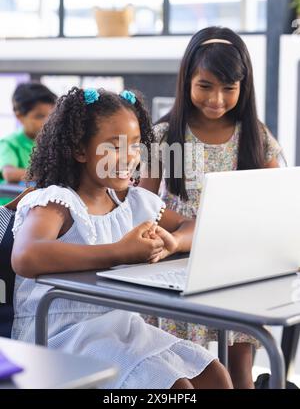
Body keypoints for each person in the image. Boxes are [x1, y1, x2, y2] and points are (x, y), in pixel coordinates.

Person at [11, 87, 232, 389]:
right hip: (58, 334)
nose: (129, 157)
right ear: (79, 150)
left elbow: (193, 226)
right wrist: (119, 251)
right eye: (114, 146)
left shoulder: (131, 201)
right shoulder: (57, 202)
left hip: (121, 327)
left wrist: (173, 242)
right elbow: (25, 257)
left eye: (136, 145)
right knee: (177, 388)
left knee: (215, 376)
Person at [139, 26, 286, 389]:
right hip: (175, 265)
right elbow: (142, 202)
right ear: (187, 80)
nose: (216, 99)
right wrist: (189, 227)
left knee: (240, 364)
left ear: (243, 87)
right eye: (205, 86)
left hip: (235, 264)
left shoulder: (257, 137)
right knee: (185, 364)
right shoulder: (162, 136)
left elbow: (275, 201)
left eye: (228, 88)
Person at [0, 82, 57, 205]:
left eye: (51, 116)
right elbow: (9, 174)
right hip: (12, 209)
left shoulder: (52, 143)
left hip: (38, 204)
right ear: (19, 116)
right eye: (39, 116)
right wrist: (52, 173)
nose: (47, 121)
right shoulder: (10, 143)